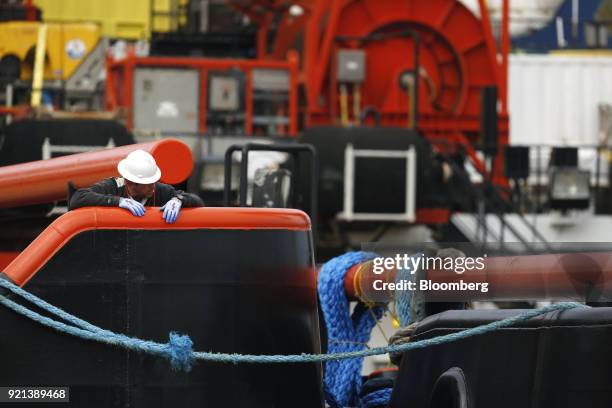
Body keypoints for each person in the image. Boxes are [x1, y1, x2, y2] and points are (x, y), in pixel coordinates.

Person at [69, 149, 203, 223]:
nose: (153, 186)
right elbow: (77, 198)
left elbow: (198, 202)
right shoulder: (113, 187)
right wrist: (118, 202)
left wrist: (178, 200)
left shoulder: (161, 190)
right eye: (148, 183)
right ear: (130, 183)